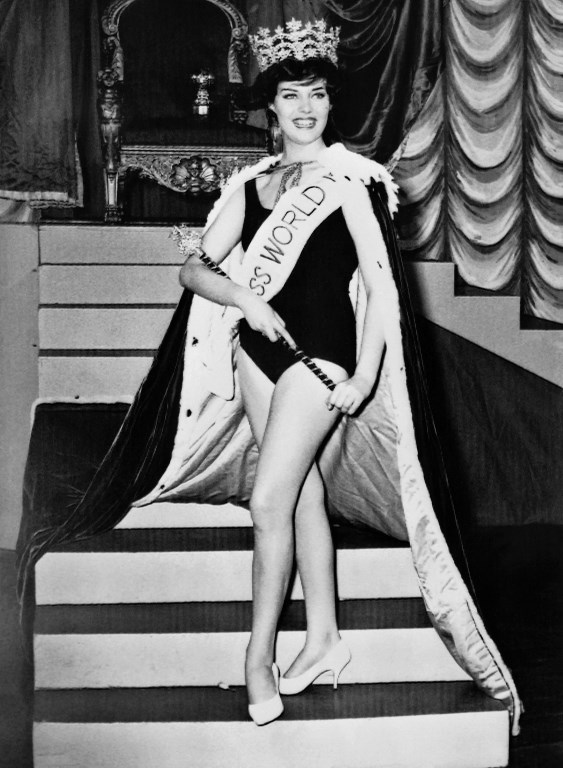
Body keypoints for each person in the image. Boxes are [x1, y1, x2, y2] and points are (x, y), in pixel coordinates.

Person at [17, 18, 521, 734]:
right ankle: (323, 640)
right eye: (290, 96)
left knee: (269, 500)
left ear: (328, 104)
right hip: (256, 353)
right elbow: (194, 267)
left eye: (316, 95)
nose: (305, 108)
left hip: (322, 361)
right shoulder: (251, 185)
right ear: (271, 107)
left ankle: (258, 656)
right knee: (305, 494)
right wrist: (244, 297)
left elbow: (383, 289)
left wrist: (364, 375)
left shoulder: (353, 182)